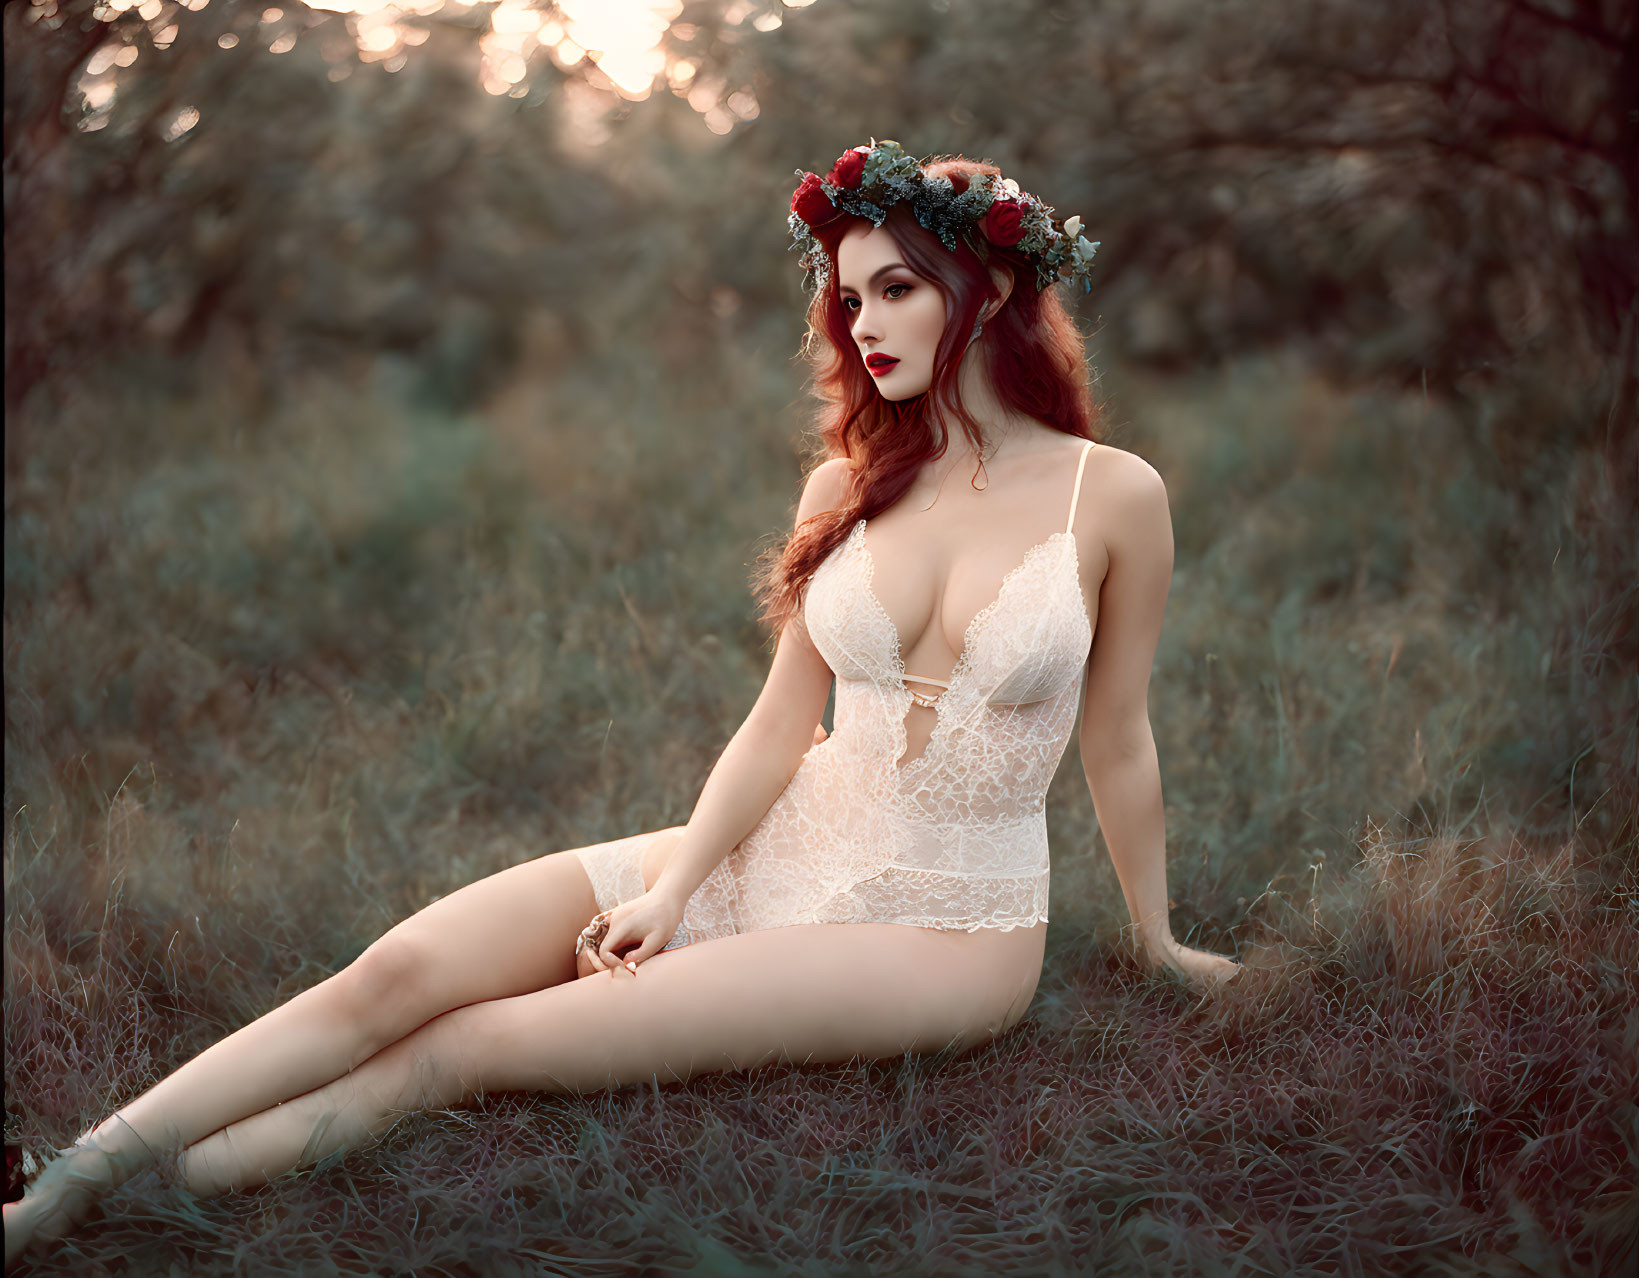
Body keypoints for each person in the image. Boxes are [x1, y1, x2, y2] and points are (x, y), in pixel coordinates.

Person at [3, 139, 1241, 1264]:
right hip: (794, 831)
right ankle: (55, 1191)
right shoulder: (844, 486)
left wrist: (1154, 939)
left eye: (895, 288)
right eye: (848, 294)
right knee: (398, 973)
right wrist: (678, 884)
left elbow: (1116, 737)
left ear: (995, 292)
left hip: (951, 933)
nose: (859, 320)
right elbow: (777, 726)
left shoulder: (1112, 495)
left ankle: (91, 1217)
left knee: (465, 1049)